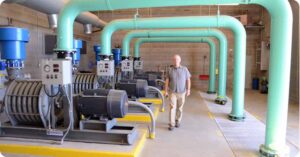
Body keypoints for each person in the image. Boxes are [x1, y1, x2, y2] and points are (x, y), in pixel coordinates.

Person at [165, 54, 191, 131]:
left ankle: (177, 121)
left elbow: (188, 79)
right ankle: (171, 124)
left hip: (182, 92)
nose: (176, 61)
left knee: (180, 108)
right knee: (172, 108)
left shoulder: (184, 69)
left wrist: (188, 89)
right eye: (175, 59)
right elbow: (167, 81)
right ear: (173, 61)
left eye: (177, 59)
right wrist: (166, 91)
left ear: (180, 60)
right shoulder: (170, 70)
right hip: (172, 92)